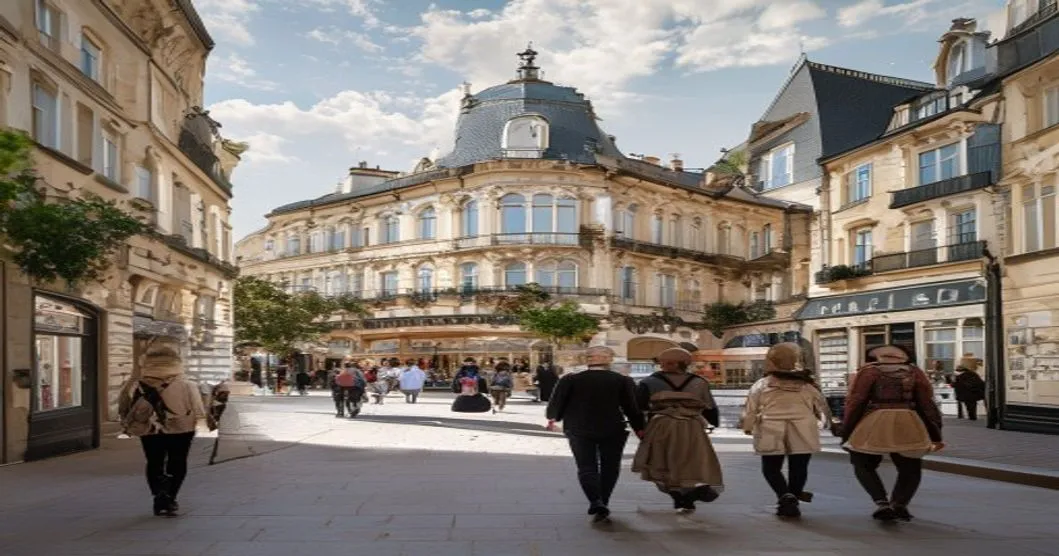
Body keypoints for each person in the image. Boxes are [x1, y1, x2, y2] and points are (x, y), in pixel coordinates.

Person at [842, 344, 944, 522]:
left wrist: (847, 429)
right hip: (909, 418)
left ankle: (881, 502)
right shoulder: (915, 372)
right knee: (910, 464)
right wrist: (935, 430)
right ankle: (900, 503)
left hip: (876, 418)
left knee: (861, 461)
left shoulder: (869, 372)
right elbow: (927, 403)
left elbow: (856, 401)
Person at [546, 346, 644, 524]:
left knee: (586, 466)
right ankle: (604, 501)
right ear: (609, 360)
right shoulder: (623, 381)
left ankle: (595, 501)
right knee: (610, 466)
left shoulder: (570, 379)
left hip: (578, 428)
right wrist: (640, 429)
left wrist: (555, 417)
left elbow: (554, 407)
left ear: (587, 360)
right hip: (613, 428)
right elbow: (632, 408)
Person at [740, 343, 830, 518]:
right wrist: (827, 424)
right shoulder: (808, 385)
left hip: (770, 428)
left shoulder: (762, 384)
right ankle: (794, 497)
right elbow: (822, 407)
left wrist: (748, 426)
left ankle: (784, 495)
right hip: (804, 427)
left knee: (771, 468)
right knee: (799, 466)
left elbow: (750, 408)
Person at [633, 347, 723, 515]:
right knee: (689, 460)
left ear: (673, 363)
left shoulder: (649, 382)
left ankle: (677, 494)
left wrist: (640, 427)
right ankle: (687, 494)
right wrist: (712, 424)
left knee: (661, 461)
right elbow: (710, 407)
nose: (661, 365)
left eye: (664, 362)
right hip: (691, 426)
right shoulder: (699, 382)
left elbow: (639, 407)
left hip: (661, 425)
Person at [118, 346, 206, 516]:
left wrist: (127, 424)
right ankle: (171, 496)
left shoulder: (136, 384)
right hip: (181, 428)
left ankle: (158, 494)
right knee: (178, 460)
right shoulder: (187, 384)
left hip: (148, 428)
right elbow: (199, 409)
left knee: (154, 461)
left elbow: (123, 407)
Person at [953, 356, 986, 421]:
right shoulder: (973, 374)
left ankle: (971, 416)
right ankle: (973, 416)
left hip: (965, 393)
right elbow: (980, 383)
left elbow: (957, 385)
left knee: (968, 406)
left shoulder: (960, 377)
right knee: (972, 406)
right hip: (973, 393)